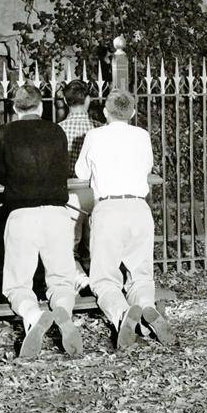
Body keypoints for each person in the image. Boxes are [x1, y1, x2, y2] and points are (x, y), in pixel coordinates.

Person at [75, 89, 174, 350]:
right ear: (132, 113)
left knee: (104, 279)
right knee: (141, 275)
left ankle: (121, 314)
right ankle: (148, 308)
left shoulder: (95, 135)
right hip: (139, 208)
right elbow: (147, 167)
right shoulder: (141, 136)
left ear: (105, 112)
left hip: (109, 209)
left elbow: (80, 171)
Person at [0, 83, 83, 359]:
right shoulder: (56, 131)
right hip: (57, 213)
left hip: (22, 213)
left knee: (17, 284)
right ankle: (63, 315)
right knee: (61, 280)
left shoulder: (4, 132)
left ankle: (33, 316)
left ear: (14, 108)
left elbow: (0, 172)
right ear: (41, 106)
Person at [59, 80, 98, 295]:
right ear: (88, 100)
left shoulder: (58, 130)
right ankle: (98, 278)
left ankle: (78, 279)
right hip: (94, 190)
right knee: (94, 239)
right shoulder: (98, 128)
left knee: (69, 243)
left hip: (70, 191)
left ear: (65, 101)